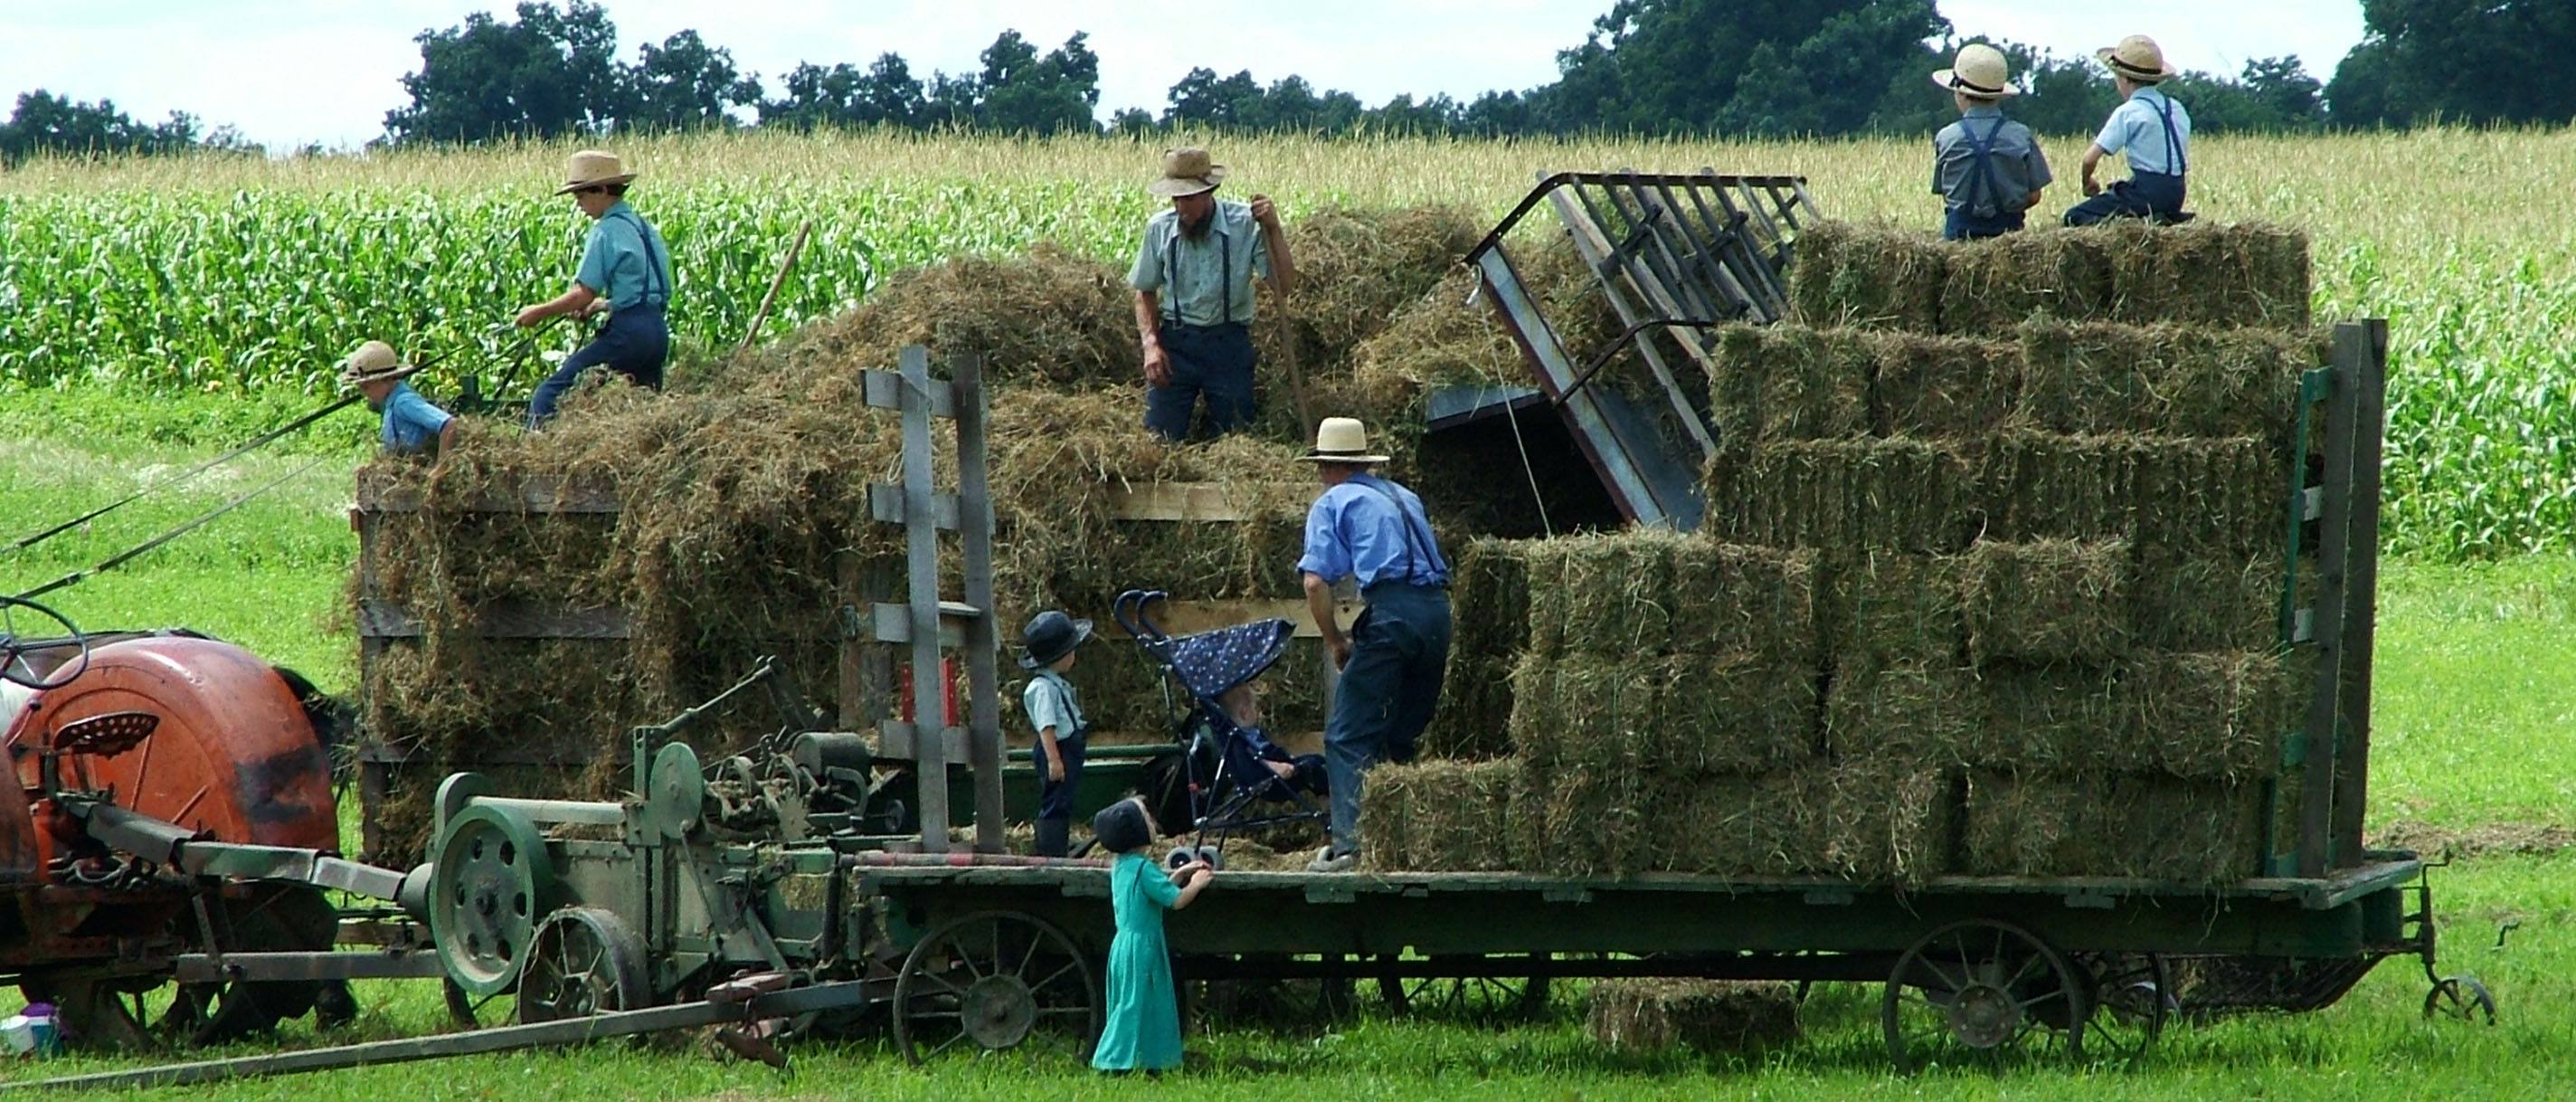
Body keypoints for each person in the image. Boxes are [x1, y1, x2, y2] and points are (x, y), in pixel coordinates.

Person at [1293, 417, 1450, 872]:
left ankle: (1353, 848)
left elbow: (1314, 583)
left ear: (1326, 467)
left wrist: (1335, 640)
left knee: (1347, 737)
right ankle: (1408, 841)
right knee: (1400, 736)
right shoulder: (1405, 496)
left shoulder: (1334, 502)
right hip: (1438, 615)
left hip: (1393, 616)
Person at [1128, 147, 1298, 442]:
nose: (1182, 208)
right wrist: (1151, 344)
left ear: (1209, 192)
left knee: (1234, 439)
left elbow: (1284, 284)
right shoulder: (1159, 229)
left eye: (1189, 199)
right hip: (1176, 346)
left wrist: (1274, 229)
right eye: (1176, 199)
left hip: (1228, 345)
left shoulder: (1246, 225)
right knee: (1157, 439)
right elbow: (1144, 290)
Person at [516, 149, 674, 426]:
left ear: (601, 191)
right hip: (657, 332)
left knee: (549, 394)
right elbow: (648, 289)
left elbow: (583, 293)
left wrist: (538, 312)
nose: (579, 205)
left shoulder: (606, 230)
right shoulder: (645, 228)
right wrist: (603, 305)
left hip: (629, 334)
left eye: (581, 196)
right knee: (647, 413)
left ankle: (536, 453)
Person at [1090, 796, 1211, 1075]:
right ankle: (1113, 1059)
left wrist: (1179, 873)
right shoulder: (1144, 868)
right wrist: (1196, 883)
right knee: (1140, 1004)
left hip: (1124, 945)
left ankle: (1138, 1058)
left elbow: (1151, 894)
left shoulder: (1121, 865)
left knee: (1129, 1001)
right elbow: (1176, 901)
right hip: (1143, 947)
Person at [2063, 34, 2192, 227]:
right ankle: (2159, 219)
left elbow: (2089, 159)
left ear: (2123, 79)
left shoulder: (2129, 111)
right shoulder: (2176, 108)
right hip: (2177, 193)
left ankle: (2129, 226)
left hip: (2146, 194)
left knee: (2074, 216)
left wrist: (2087, 182)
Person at [1929, 43, 2051, 241]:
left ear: (1960, 93)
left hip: (1959, 237)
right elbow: (2035, 195)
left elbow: (1945, 193)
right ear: (1998, 96)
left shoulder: (1946, 137)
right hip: (2008, 238)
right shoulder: (2021, 135)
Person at [1019, 610, 1093, 859]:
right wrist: (1054, 759)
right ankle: (1050, 850)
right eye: (1070, 651)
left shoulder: (1055, 684)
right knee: (1056, 801)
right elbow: (1046, 726)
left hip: (1068, 746)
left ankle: (1058, 844)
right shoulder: (1042, 689)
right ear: (1059, 656)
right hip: (1058, 748)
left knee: (1065, 798)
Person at [340, 340, 455, 459]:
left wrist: (441, 468)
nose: (364, 393)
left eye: (366, 387)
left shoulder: (404, 402)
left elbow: (449, 424)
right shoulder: (389, 404)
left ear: (386, 379)